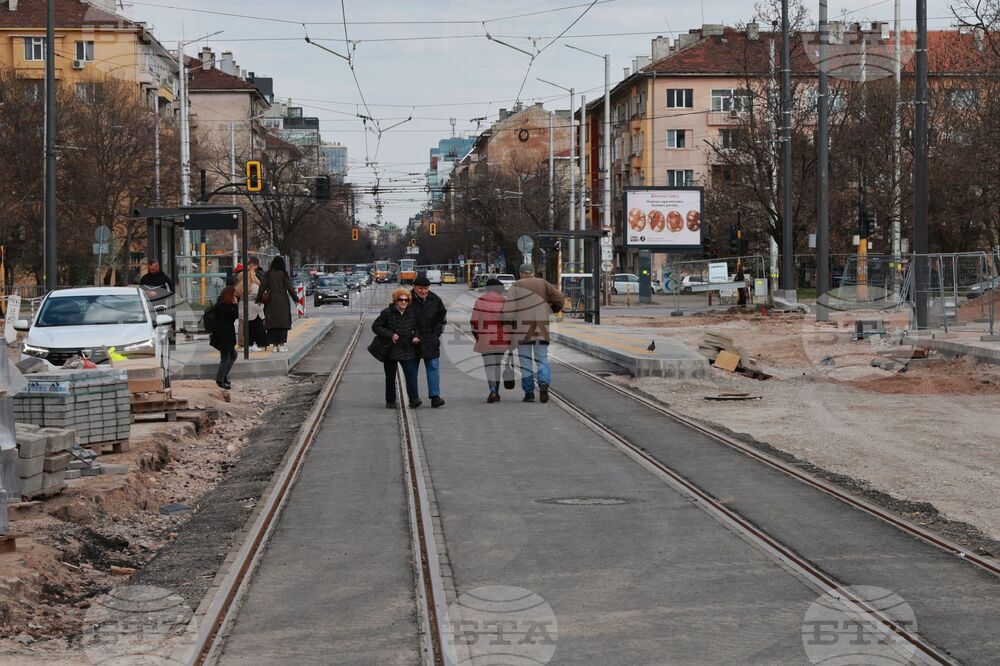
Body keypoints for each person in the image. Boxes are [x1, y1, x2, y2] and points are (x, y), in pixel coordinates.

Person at [504, 263, 564, 403]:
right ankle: (543, 383)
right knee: (542, 359)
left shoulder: (515, 286)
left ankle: (529, 393)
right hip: (541, 329)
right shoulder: (543, 283)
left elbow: (508, 314)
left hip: (522, 332)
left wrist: (510, 327)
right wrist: (553, 309)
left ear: (520, 273)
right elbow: (560, 297)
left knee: (525, 363)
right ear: (533, 273)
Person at [372, 288, 422, 409]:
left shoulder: (412, 312)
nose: (403, 302)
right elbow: (376, 327)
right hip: (391, 349)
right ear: (395, 300)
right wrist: (390, 334)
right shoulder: (387, 313)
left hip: (407, 348)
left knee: (411, 374)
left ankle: (414, 399)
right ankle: (390, 401)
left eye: (406, 300)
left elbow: (417, 328)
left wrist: (416, 336)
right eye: (401, 300)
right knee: (390, 376)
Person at [471, 278, 511, 403]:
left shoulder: (480, 301)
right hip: (501, 338)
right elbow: (510, 321)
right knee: (497, 365)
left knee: (489, 366)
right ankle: (497, 391)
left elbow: (474, 321)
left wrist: (477, 336)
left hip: (485, 338)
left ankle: (493, 390)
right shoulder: (504, 301)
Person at [410, 275, 447, 408]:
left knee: (433, 368)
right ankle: (414, 397)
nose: (424, 291)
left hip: (431, 340)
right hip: (412, 341)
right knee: (412, 370)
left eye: (426, 288)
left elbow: (442, 317)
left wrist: (436, 333)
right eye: (421, 288)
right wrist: (411, 334)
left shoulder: (435, 299)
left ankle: (435, 396)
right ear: (414, 287)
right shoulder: (406, 299)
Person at [256, 257, 297, 353]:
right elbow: (290, 287)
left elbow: (262, 287)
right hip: (283, 300)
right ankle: (282, 345)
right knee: (283, 322)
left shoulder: (268, 274)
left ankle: (274, 345)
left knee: (272, 323)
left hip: (271, 301)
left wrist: (258, 298)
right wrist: (296, 299)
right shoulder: (283, 274)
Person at [210, 286, 239, 390]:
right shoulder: (224, 306)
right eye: (234, 295)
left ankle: (224, 376)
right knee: (225, 358)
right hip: (224, 336)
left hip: (223, 335)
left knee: (233, 355)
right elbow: (235, 315)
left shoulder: (221, 304)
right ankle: (220, 380)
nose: (235, 297)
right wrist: (235, 304)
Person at [234, 264, 267, 352]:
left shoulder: (239, 287)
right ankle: (254, 343)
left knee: (244, 326)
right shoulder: (254, 286)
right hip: (254, 309)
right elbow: (261, 295)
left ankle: (243, 343)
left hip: (243, 308)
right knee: (255, 327)